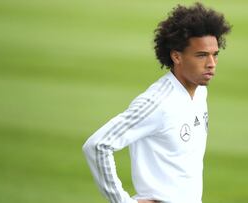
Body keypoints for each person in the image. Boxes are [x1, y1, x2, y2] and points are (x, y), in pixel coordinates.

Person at [82, 2, 231, 203]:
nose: (211, 64)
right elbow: (98, 145)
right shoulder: (158, 102)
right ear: (176, 56)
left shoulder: (200, 91)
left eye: (215, 55)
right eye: (201, 55)